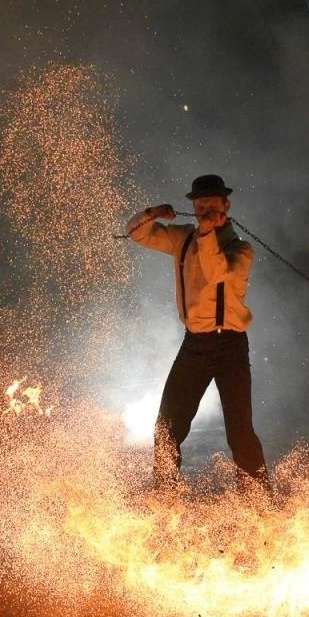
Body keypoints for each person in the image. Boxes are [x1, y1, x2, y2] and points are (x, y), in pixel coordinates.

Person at [126, 174, 269, 492]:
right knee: (167, 428)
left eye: (211, 206)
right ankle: (164, 498)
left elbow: (217, 273)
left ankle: (259, 504)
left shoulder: (241, 250)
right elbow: (135, 233)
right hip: (195, 346)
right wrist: (153, 213)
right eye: (200, 206)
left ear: (225, 206)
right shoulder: (183, 239)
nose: (204, 211)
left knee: (240, 433)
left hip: (231, 347)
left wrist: (206, 234)